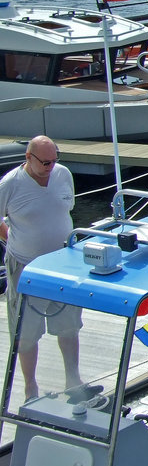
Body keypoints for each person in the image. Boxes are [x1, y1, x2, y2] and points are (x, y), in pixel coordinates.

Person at [0, 136, 90, 401]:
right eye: (45, 162)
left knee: (69, 325)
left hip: (63, 264)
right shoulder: (10, 184)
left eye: (54, 159)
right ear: (28, 158)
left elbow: (65, 209)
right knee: (26, 332)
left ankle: (73, 380)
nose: (51, 165)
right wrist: (9, 237)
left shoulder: (63, 174)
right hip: (26, 267)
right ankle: (30, 388)